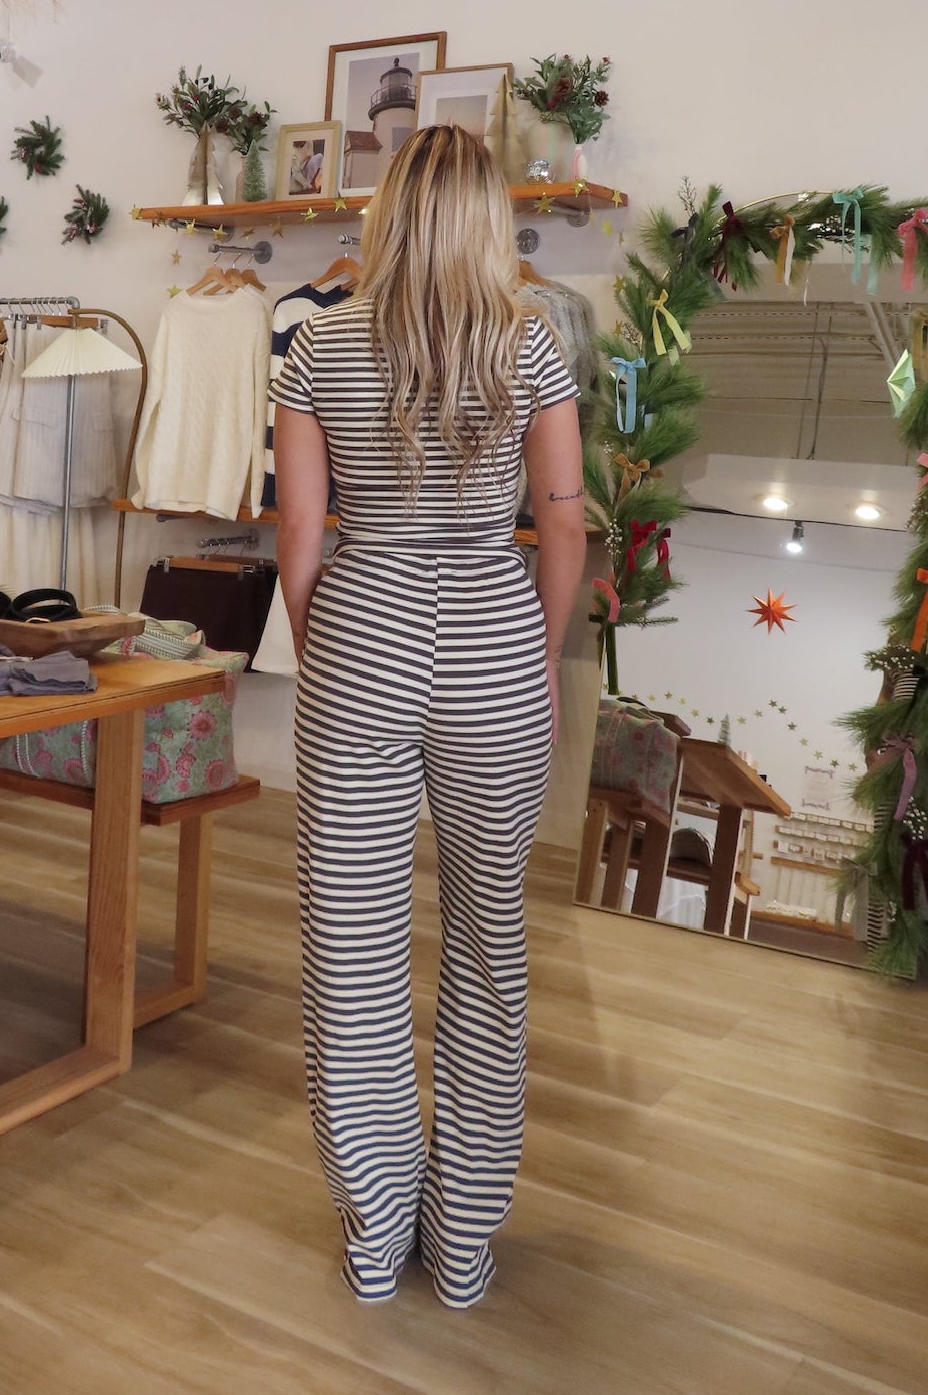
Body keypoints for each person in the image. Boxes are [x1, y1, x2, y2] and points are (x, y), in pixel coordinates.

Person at [272, 124, 587, 1309]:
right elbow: (562, 525)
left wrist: (325, 651)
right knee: (487, 940)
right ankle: (460, 1240)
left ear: (387, 211)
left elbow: (300, 539)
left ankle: (372, 1232)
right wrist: (536, 657)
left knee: (349, 946)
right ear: (487, 218)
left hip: (362, 624)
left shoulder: (317, 342)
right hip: (494, 637)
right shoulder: (528, 341)